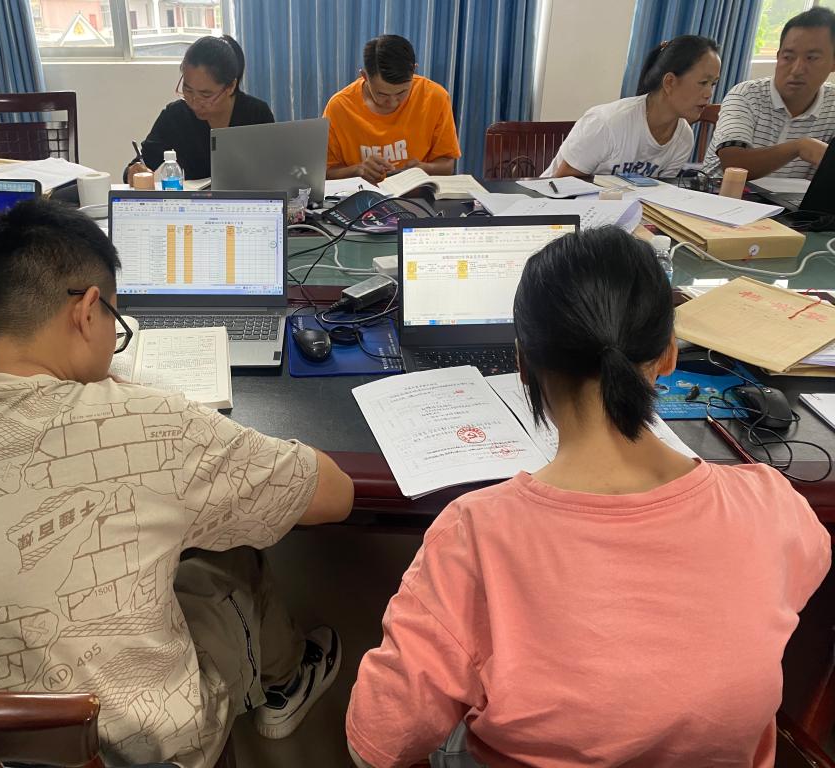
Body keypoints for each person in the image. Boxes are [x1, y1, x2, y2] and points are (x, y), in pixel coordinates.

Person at [0, 200, 352, 768]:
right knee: (231, 553)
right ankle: (287, 679)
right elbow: (334, 494)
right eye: (114, 324)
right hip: (127, 756)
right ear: (86, 311)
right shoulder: (151, 421)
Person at [346, 227, 830, 767]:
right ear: (669, 355)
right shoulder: (770, 502)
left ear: (522, 363)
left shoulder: (474, 535)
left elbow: (379, 745)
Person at [545, 35, 720, 178]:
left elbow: (659, 197)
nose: (709, 93)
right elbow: (562, 187)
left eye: (712, 84)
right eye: (703, 82)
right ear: (669, 82)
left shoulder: (684, 138)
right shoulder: (607, 123)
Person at [704, 6, 835, 180]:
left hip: (794, 198)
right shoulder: (746, 95)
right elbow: (734, 163)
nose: (797, 69)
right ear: (778, 56)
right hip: (720, 193)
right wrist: (799, 147)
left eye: (811, 58)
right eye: (788, 57)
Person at [323, 34, 461, 184]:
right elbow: (325, 172)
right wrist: (357, 170)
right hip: (360, 194)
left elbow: (447, 166)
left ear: (413, 71)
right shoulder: (339, 107)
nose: (393, 102)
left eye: (402, 92)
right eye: (382, 94)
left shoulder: (435, 97)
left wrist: (423, 169)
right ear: (365, 76)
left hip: (416, 193)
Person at [135, 35, 274, 181]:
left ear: (230, 87)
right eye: (188, 90)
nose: (194, 102)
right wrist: (136, 170)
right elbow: (142, 162)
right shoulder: (175, 116)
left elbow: (275, 172)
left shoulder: (256, 114)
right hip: (194, 196)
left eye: (205, 95)